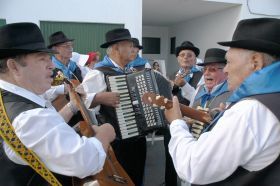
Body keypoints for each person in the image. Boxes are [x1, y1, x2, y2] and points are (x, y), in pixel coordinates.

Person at [165, 18, 280, 185]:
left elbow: (193, 166)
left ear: (256, 62)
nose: (226, 70)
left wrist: (176, 122)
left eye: (229, 62)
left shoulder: (251, 110)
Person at [0, 22, 115, 185]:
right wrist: (106, 132)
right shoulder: (29, 117)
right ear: (14, 66)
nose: (52, 65)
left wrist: (72, 106)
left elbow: (45, 131)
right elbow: (86, 161)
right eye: (42, 59)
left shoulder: (9, 100)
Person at [82, 28, 147, 186]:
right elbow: (82, 104)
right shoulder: (98, 73)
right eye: (130, 45)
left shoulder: (132, 71)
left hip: (138, 139)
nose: (134, 49)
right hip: (116, 143)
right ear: (117, 47)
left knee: (137, 180)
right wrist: (99, 98)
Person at [185, 48, 232, 139]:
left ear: (225, 71)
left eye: (212, 69)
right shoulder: (199, 89)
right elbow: (189, 113)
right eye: (204, 69)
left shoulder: (232, 94)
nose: (206, 73)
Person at [172, 41, 203, 106]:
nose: (185, 57)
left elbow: (200, 101)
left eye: (189, 55)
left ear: (195, 60)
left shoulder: (202, 77)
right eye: (182, 55)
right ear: (178, 59)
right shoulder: (173, 75)